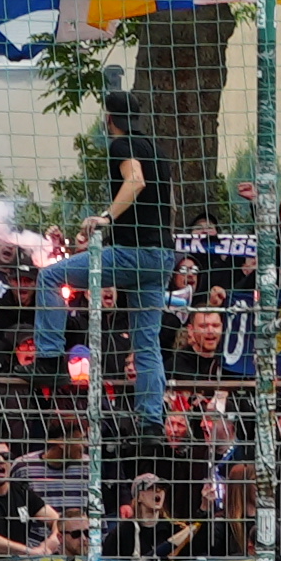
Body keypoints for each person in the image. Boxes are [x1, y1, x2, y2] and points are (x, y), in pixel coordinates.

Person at [32, 84, 176, 433]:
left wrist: (107, 217)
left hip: (132, 252)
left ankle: (50, 359)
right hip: (162, 256)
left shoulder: (122, 145)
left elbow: (135, 181)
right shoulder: (157, 150)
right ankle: (151, 422)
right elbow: (167, 205)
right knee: (146, 343)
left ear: (109, 119)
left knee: (50, 278)